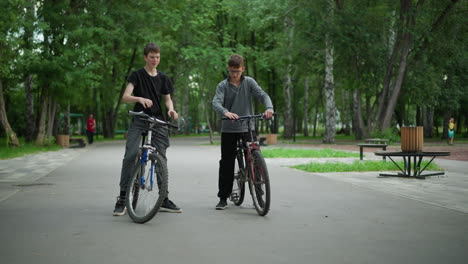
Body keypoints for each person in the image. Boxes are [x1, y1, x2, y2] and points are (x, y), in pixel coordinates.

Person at [113, 42, 182, 216]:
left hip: (158, 120)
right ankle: (122, 198)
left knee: (161, 158)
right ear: (145, 57)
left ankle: (163, 198)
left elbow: (167, 99)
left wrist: (171, 109)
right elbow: (125, 97)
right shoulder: (137, 75)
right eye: (152, 57)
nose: (155, 60)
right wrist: (139, 99)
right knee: (130, 154)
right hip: (140, 119)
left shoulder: (164, 78)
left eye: (157, 57)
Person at [212, 54, 274, 210]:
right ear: (228, 69)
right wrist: (225, 112)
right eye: (232, 71)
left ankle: (259, 196)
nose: (234, 74)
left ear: (243, 69)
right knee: (226, 162)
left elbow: (262, 95)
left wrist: (269, 108)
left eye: (237, 71)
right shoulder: (223, 86)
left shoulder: (249, 82)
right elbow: (216, 102)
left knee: (255, 159)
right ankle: (223, 197)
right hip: (229, 128)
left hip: (247, 126)